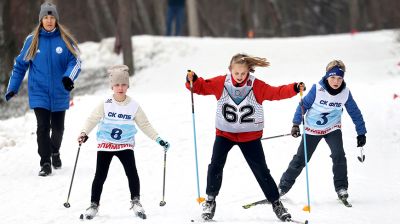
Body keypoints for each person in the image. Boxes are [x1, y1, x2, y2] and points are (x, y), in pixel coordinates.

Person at [185, 53, 305, 222]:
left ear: (248, 71)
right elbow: (201, 87)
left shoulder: (256, 85)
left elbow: (275, 92)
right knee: (215, 166)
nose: (240, 77)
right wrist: (193, 79)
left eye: (243, 73)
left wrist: (293, 88)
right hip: (225, 134)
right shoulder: (222, 82)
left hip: (249, 136)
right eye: (237, 73)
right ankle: (210, 200)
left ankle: (276, 203)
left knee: (261, 170)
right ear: (230, 71)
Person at [77, 65, 170, 220]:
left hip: (125, 144)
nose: (120, 88)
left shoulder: (133, 106)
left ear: (128, 86)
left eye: (123, 84)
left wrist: (158, 139)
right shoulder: (106, 103)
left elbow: (144, 124)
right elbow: (92, 119)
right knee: (100, 175)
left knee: (132, 172)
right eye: (117, 85)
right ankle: (94, 204)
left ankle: (136, 201)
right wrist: (84, 133)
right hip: (106, 143)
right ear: (112, 86)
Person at [4, 2, 81, 176]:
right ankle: (45, 162)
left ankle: (55, 151)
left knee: (58, 129)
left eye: (51, 17)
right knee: (42, 127)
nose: (48, 20)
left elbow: (75, 61)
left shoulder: (65, 40)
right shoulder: (32, 41)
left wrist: (68, 77)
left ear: (56, 19)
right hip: (38, 91)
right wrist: (13, 87)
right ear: (40, 20)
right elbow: (20, 65)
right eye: (45, 17)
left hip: (60, 91)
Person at [278, 60, 367, 202]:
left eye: (339, 78)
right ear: (326, 77)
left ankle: (341, 187)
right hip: (312, 129)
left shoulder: (345, 93)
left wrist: (361, 132)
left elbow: (355, 112)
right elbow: (303, 106)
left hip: (332, 128)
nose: (336, 81)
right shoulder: (317, 89)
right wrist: (296, 124)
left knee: (339, 155)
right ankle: (282, 187)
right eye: (332, 77)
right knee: (301, 159)